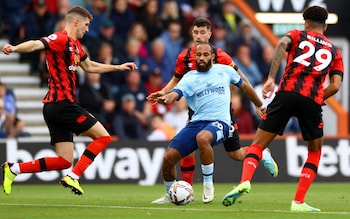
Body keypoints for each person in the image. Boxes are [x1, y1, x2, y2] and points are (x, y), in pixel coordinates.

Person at [1, 6, 137, 195]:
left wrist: (118, 67)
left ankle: (13, 169)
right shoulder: (60, 39)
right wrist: (15, 47)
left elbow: (89, 67)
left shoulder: (75, 46)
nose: (88, 29)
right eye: (87, 25)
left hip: (53, 107)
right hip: (62, 104)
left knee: (64, 160)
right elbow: (35, 44)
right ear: (76, 22)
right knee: (104, 137)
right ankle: (74, 176)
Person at [222, 6, 344, 212]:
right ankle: (298, 202)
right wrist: (317, 98)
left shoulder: (296, 34)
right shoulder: (335, 50)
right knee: (314, 152)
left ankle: (244, 181)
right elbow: (336, 85)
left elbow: (280, 45)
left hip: (286, 94)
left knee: (258, 145)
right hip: (311, 101)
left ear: (306, 23)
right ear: (325, 26)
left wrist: (271, 78)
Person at [147, 17, 278, 191]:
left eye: (203, 32)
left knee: (235, 154)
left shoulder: (220, 56)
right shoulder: (184, 57)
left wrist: (256, 102)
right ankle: (187, 190)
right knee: (188, 149)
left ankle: (260, 152)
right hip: (197, 111)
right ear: (191, 34)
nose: (199, 36)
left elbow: (240, 77)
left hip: (221, 112)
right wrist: (164, 92)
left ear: (210, 33)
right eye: (196, 32)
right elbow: (176, 80)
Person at [152, 42, 265, 204]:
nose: (202, 58)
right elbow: (176, 93)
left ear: (212, 56)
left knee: (203, 138)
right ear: (195, 57)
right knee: (168, 158)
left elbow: (245, 87)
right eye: (199, 55)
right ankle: (170, 194)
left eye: (206, 55)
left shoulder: (225, 71)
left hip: (222, 122)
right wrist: (165, 98)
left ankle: (207, 184)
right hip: (197, 122)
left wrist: (260, 105)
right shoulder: (189, 77)